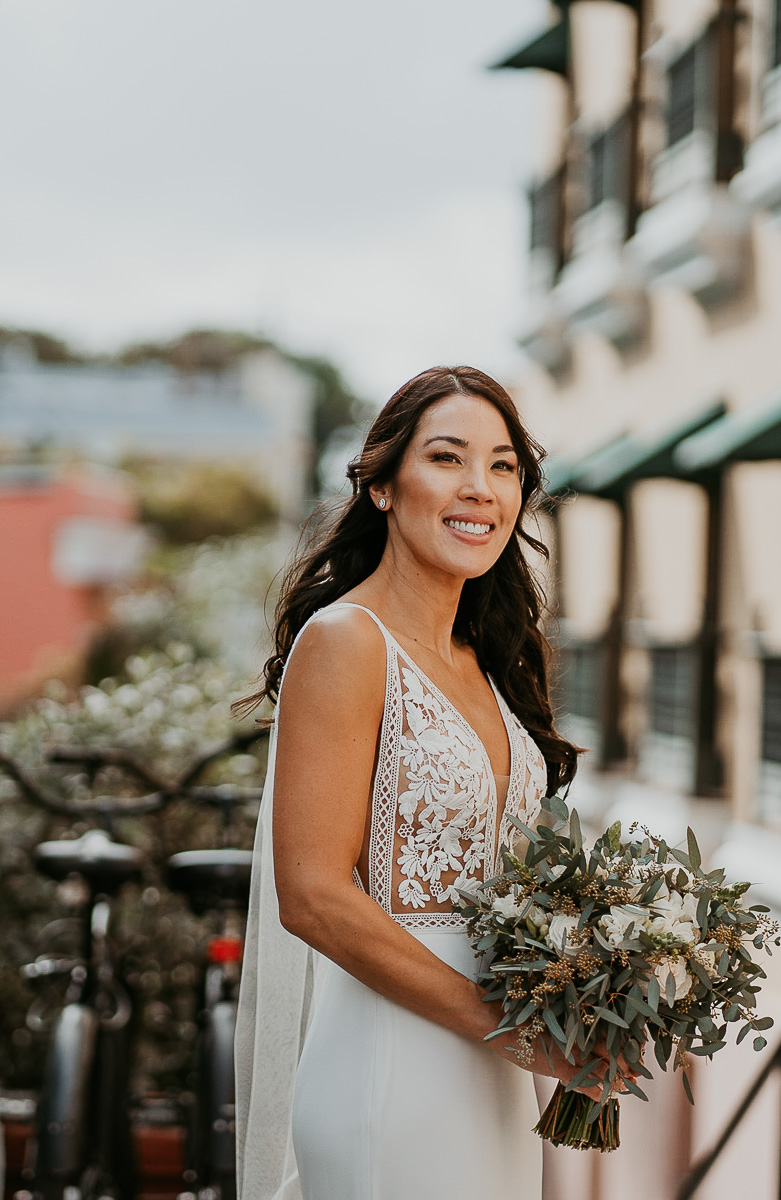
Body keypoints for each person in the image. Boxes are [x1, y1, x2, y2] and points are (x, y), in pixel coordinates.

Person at [235, 365, 596, 1199]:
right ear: (384, 487)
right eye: (447, 458)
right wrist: (512, 1027)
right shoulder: (346, 642)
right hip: (391, 1067)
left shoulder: (485, 662)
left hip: (498, 1079)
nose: (480, 488)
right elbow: (314, 895)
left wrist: (594, 977)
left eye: (503, 465)